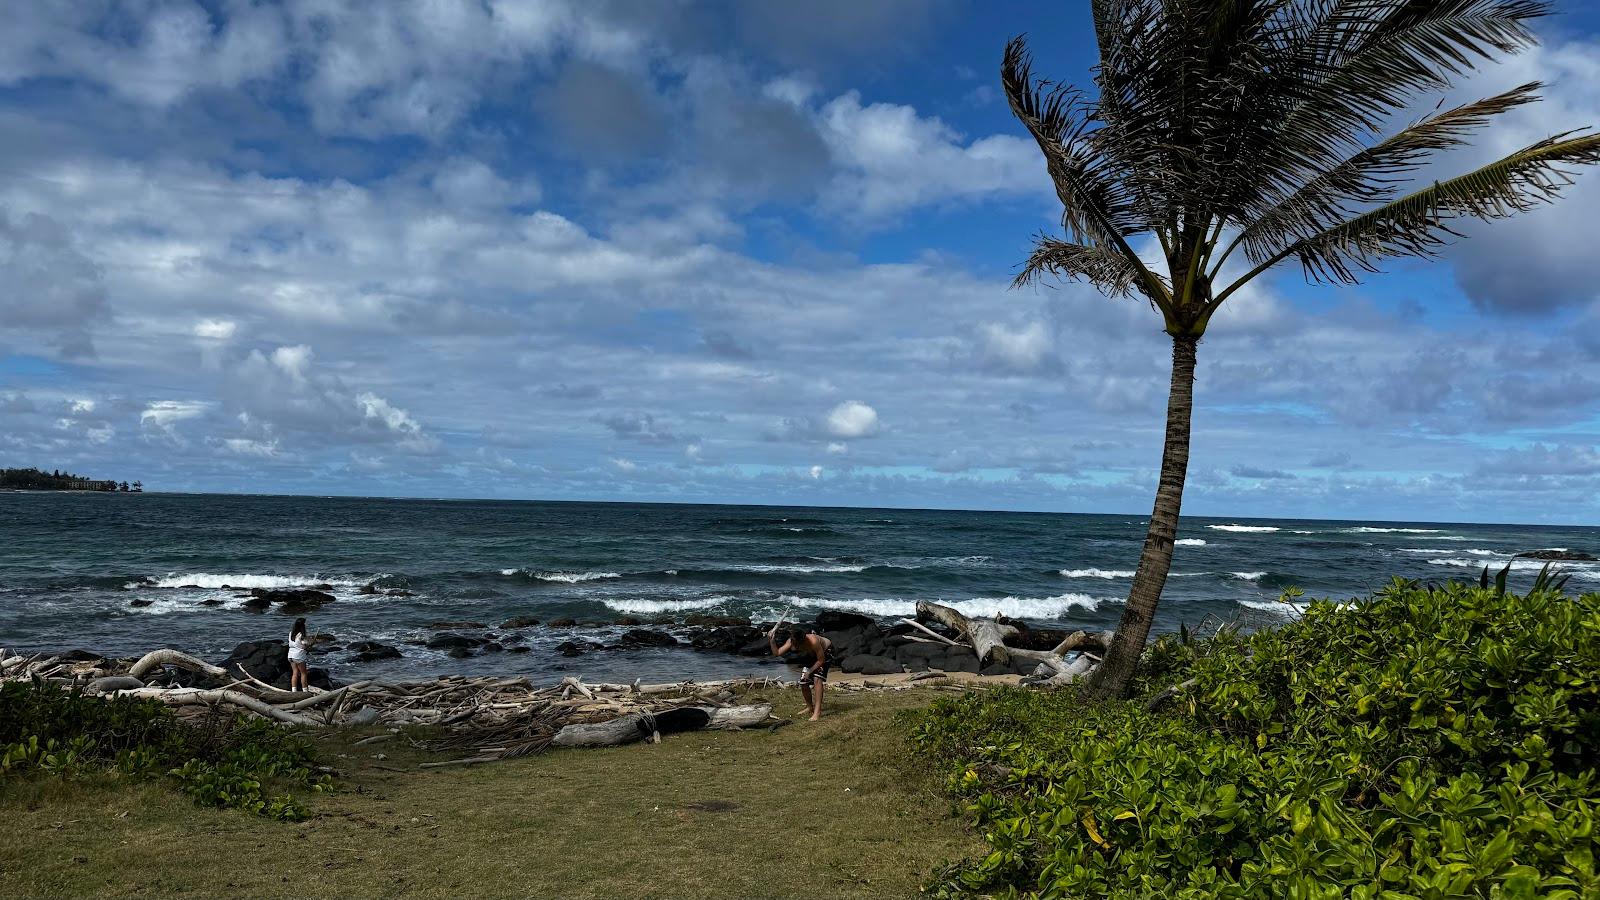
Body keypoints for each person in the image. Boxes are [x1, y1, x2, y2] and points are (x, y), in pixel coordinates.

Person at [769, 623, 834, 721]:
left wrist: (810, 671)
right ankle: (809, 707)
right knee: (804, 681)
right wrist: (772, 640)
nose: (793, 646)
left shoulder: (813, 641)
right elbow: (777, 653)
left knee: (817, 679)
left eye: (796, 645)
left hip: (826, 653)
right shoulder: (792, 640)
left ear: (803, 641)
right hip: (811, 655)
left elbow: (821, 660)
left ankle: (817, 712)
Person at [287, 617, 311, 691]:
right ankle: (305, 691)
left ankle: (294, 691)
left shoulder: (291, 633)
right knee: (303, 673)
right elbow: (304, 646)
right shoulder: (302, 635)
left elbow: (294, 644)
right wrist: (309, 645)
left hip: (290, 655)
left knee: (295, 673)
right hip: (298, 656)